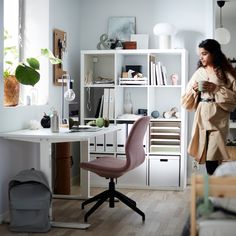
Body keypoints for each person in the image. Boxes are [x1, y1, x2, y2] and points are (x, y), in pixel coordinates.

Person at [181, 39, 236, 175]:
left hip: (219, 117)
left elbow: (234, 96)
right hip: (202, 115)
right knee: (207, 156)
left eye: (204, 53)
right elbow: (185, 99)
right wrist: (194, 90)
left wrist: (216, 88)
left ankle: (214, 191)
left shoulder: (225, 72)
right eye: (200, 54)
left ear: (214, 54)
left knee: (213, 156)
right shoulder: (199, 72)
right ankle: (212, 190)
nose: (201, 57)